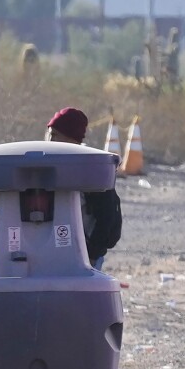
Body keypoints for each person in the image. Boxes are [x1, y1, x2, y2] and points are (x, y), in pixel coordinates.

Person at [45, 107, 123, 269]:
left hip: (84, 254)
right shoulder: (48, 166)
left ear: (71, 138)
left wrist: (93, 255)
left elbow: (106, 218)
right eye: (49, 134)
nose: (49, 140)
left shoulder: (92, 169)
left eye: (54, 135)